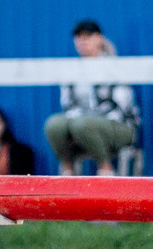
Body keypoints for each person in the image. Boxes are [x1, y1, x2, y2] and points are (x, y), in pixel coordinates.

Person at [45, 19, 139, 177]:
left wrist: (88, 124)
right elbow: (68, 107)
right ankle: (67, 169)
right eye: (78, 37)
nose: (82, 41)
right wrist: (75, 126)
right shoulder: (70, 70)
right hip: (82, 125)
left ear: (99, 39)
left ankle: (106, 168)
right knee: (54, 124)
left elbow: (123, 108)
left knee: (82, 124)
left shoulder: (114, 67)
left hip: (119, 127)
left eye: (87, 36)